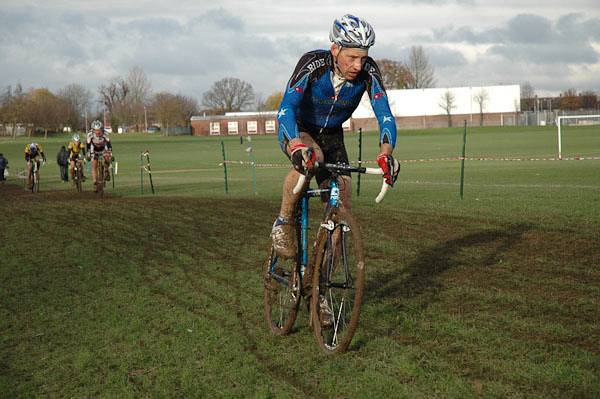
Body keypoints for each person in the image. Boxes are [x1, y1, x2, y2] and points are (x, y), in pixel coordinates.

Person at [271, 14, 400, 259]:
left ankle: (323, 278)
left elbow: (385, 115)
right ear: (335, 49)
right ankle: (283, 222)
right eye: (351, 57)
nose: (358, 66)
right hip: (300, 128)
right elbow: (286, 107)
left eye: (363, 57)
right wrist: (297, 145)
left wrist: (387, 152)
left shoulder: (368, 72)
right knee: (313, 158)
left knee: (343, 196)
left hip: (333, 134)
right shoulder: (313, 64)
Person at [86, 120, 112, 192]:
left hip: (103, 148)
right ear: (93, 130)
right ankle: (95, 182)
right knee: (94, 164)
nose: (97, 132)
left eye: (99, 130)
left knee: (107, 157)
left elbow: (109, 144)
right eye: (95, 130)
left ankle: (106, 170)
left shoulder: (105, 133)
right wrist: (88, 153)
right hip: (94, 149)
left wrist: (110, 152)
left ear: (101, 129)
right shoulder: (90, 134)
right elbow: (88, 145)